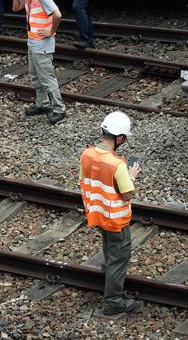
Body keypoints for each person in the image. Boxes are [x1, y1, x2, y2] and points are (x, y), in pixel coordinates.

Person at [79, 111, 143, 317]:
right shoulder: (118, 165)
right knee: (118, 258)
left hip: (97, 215)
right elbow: (127, 195)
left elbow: (85, 180)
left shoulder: (86, 154)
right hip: (116, 219)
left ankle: (109, 283)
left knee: (109, 251)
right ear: (120, 138)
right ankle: (113, 301)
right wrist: (132, 176)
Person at [11, 0, 66, 124]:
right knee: (35, 76)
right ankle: (43, 104)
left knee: (47, 78)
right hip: (33, 41)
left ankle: (59, 109)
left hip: (42, 43)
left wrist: (50, 31)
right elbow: (15, 8)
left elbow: (57, 14)